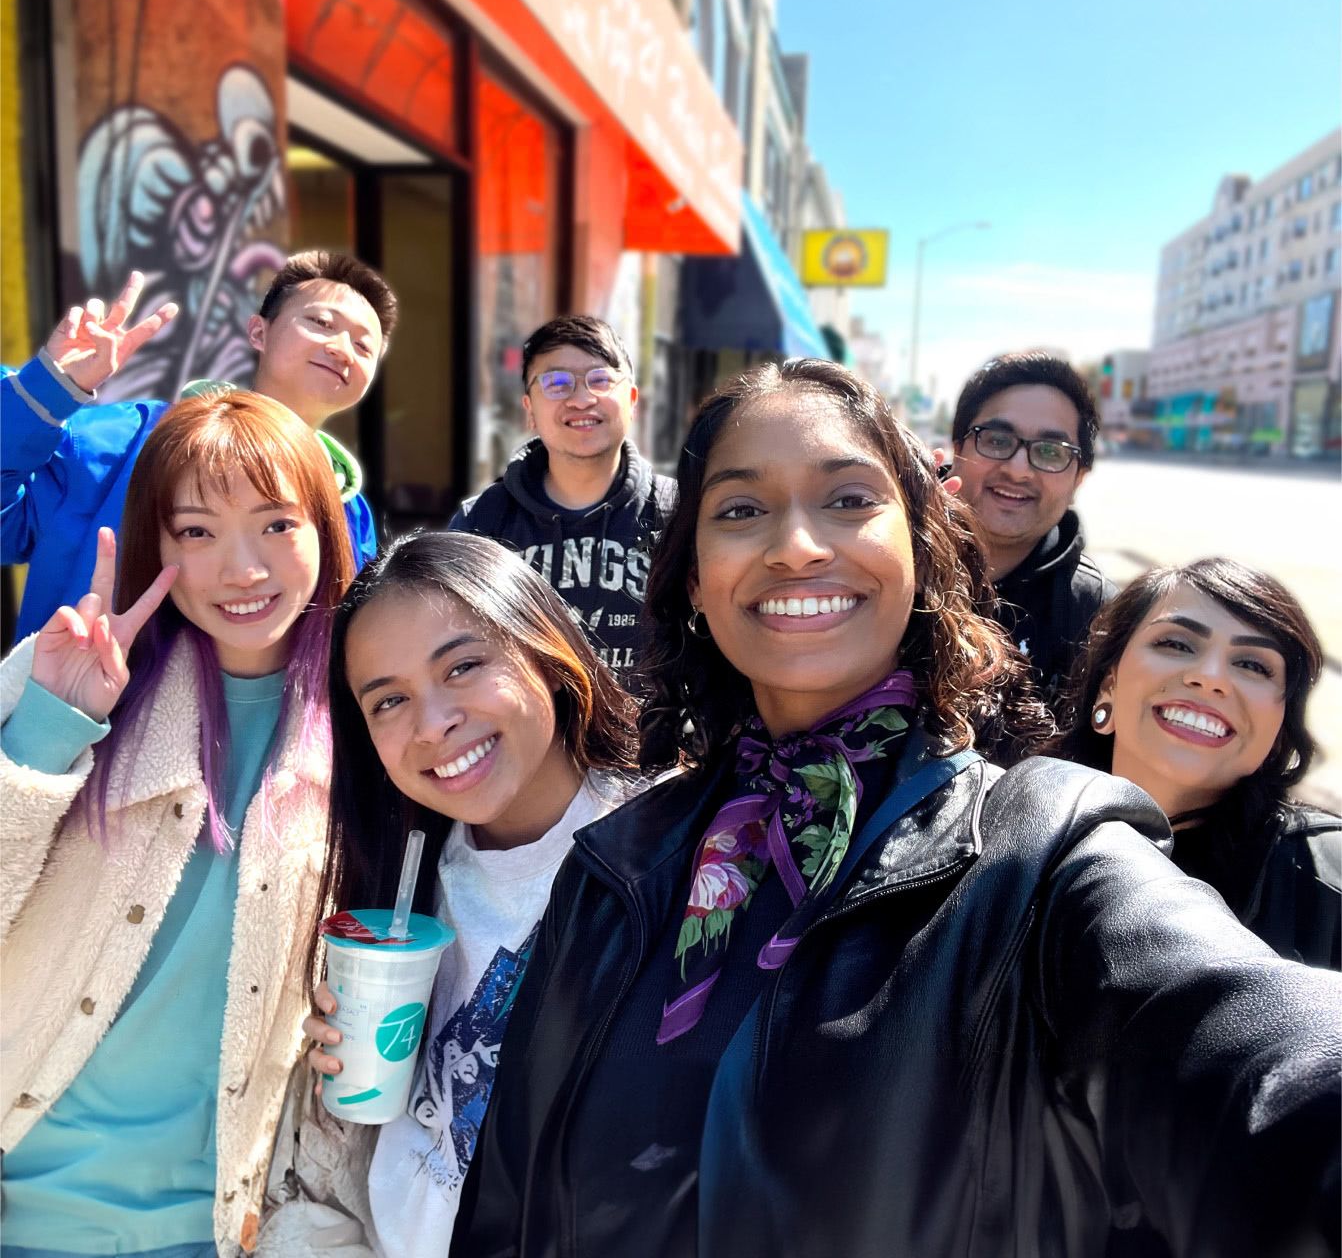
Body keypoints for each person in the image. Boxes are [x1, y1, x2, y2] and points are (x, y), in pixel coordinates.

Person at [453, 359, 1340, 1258]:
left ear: (922, 549)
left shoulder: (1044, 856)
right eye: (740, 509)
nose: (796, 544)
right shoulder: (618, 863)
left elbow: (1265, 1065)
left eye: (848, 500)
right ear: (692, 579)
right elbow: (505, 1205)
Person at [0, 390, 356, 1257]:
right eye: (197, 532)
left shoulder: (371, 715)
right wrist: (50, 730)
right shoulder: (60, 670)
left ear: (325, 529)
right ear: (155, 544)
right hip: (29, 1212)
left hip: (217, 1227)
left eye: (276, 524)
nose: (243, 568)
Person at [255, 531, 637, 1255]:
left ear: (544, 650)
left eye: (463, 666)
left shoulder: (670, 866)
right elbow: (346, 1171)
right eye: (389, 701)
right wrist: (338, 1077)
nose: (433, 725)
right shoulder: (401, 870)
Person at [3, 249, 397, 639]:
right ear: (259, 331)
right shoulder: (127, 440)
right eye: (321, 322)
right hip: (82, 700)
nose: (342, 349)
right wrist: (47, 390)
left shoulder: (350, 513)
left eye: (363, 347)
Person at [1055, 557, 1340, 969]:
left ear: (1280, 731)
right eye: (1176, 644)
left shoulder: (1327, 880)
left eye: (1253, 665)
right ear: (1109, 684)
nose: (1210, 678)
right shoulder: (1011, 837)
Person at [449, 315, 675, 677]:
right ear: (530, 411)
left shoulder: (677, 513)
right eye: (556, 383)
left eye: (600, 380)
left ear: (632, 401)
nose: (582, 399)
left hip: (649, 733)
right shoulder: (480, 523)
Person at [951, 349, 1115, 706]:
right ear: (957, 448)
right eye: (996, 440)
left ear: (1078, 480)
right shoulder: (882, 557)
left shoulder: (1096, 616)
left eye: (1051, 452)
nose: (1018, 469)